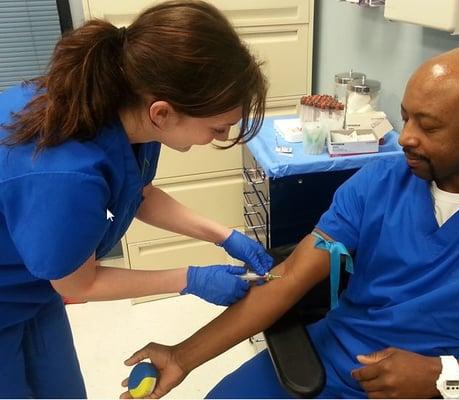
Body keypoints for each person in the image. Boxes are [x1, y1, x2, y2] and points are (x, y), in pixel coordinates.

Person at [120, 46, 459, 399]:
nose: (406, 137)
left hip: (454, 384)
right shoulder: (378, 182)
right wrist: (181, 356)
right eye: (406, 117)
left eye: (428, 125)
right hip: (338, 357)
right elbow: (290, 278)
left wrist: (443, 376)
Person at [0, 1, 273, 398]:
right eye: (216, 129)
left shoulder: (127, 112)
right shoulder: (66, 175)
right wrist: (189, 279)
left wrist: (224, 235)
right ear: (162, 112)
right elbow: (81, 283)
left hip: (31, 290)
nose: (217, 139)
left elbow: (137, 193)